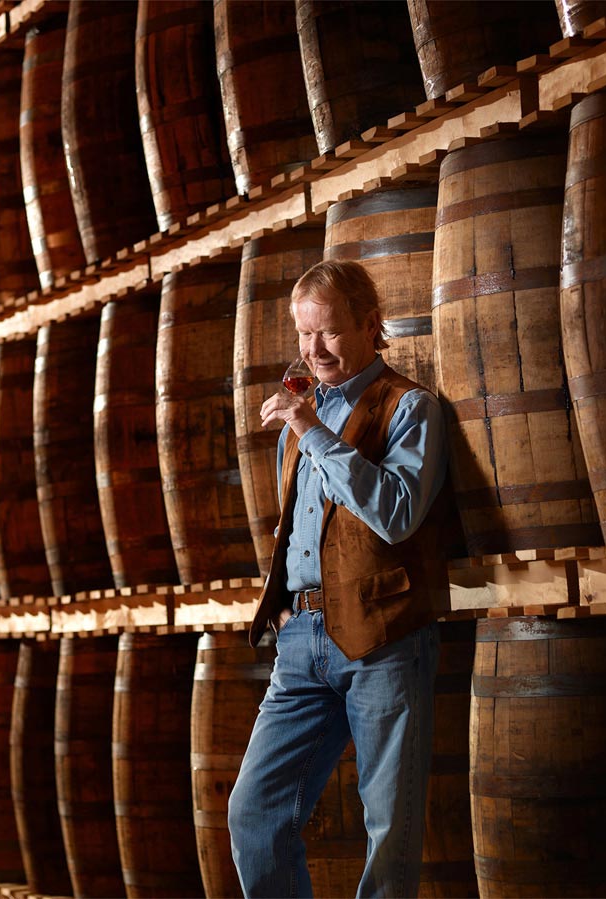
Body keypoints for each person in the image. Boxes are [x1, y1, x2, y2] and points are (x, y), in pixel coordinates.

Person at [227, 259, 457, 898]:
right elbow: (297, 528)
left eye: (328, 332)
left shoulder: (409, 407)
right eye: (304, 335)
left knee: (389, 828)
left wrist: (313, 431)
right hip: (301, 640)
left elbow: (397, 514)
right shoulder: (307, 418)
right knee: (254, 813)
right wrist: (282, 605)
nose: (314, 349)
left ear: (370, 325)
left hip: (384, 636)